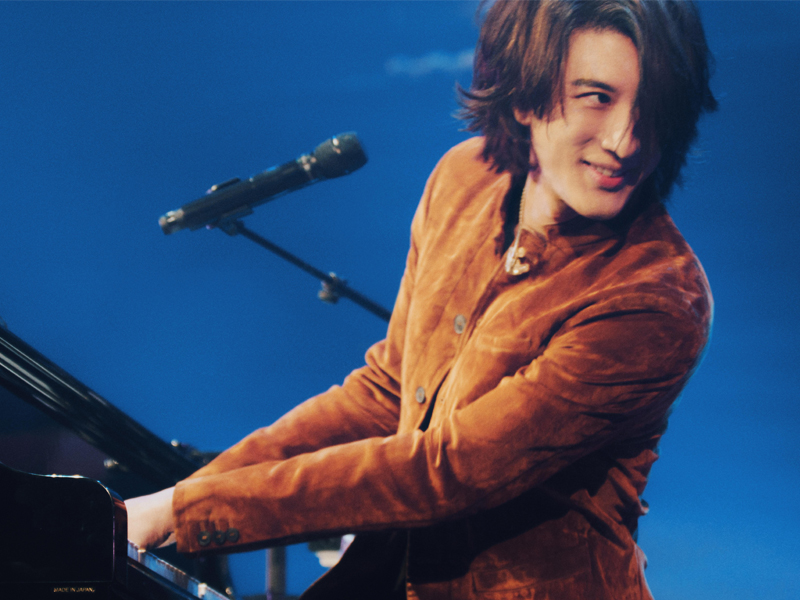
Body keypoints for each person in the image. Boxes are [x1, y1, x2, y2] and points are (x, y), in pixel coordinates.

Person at [127, 1, 717, 598]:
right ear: (524, 95)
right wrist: (177, 500)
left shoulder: (658, 298)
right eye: (597, 98)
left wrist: (184, 512)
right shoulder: (465, 178)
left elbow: (452, 470)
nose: (625, 140)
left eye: (652, 108)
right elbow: (387, 392)